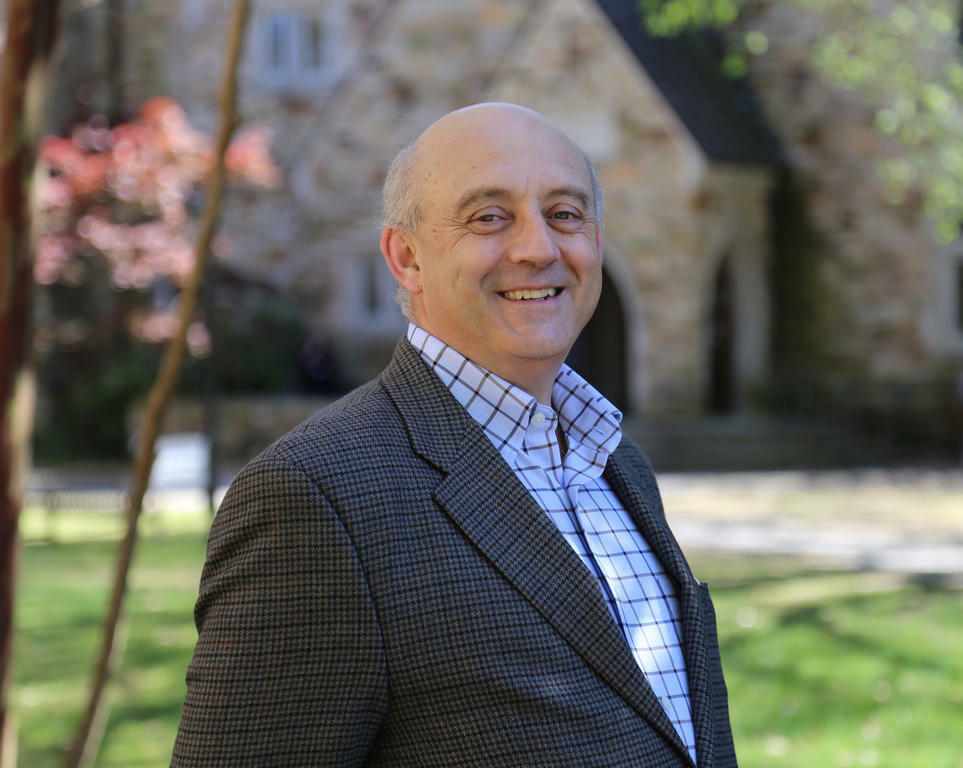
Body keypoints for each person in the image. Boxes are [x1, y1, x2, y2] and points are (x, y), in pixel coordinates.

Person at [171, 103, 736, 767]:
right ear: (406, 258)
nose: (538, 248)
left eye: (565, 213)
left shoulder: (620, 464)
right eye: (489, 217)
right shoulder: (313, 501)